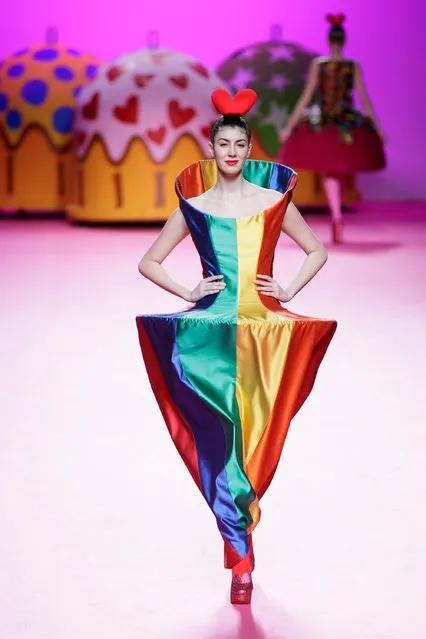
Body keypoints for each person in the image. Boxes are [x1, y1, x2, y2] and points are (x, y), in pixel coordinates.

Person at [136, 88, 337, 605]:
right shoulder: (195, 207)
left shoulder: (272, 202)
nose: (231, 151)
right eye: (222, 143)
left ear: (249, 149)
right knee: (223, 446)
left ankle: (241, 544)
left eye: (239, 144)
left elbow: (316, 250)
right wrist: (189, 291)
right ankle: (241, 561)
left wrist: (287, 290)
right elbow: (149, 261)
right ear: (212, 148)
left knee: (255, 444)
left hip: (264, 333)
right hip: (208, 338)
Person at [280, 14, 386, 243]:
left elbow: (306, 97)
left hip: (325, 123)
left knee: (331, 172)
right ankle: (337, 216)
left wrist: (289, 127)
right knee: (335, 171)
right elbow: (364, 100)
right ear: (343, 41)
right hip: (345, 123)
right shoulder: (352, 66)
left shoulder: (319, 65)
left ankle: (337, 215)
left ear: (329, 41)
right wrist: (377, 127)